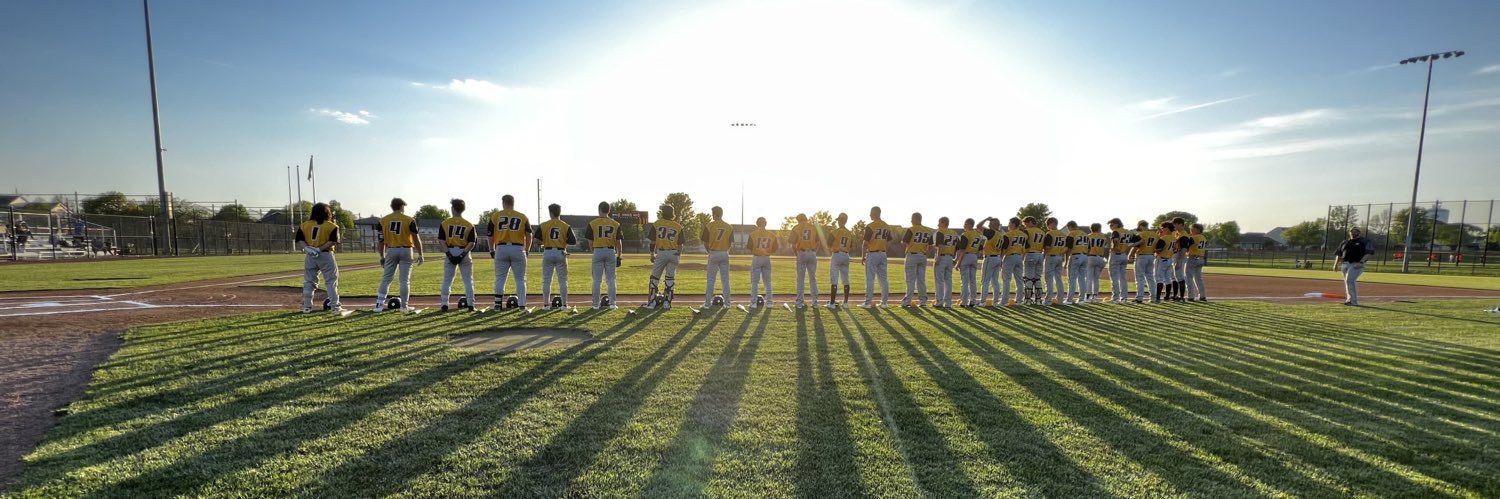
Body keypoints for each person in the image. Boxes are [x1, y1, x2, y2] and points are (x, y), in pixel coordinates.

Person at [375, 198, 423, 312]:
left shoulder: (383, 220)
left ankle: (379, 305)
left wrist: (381, 256)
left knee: (386, 279)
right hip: (406, 250)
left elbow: (381, 240)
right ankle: (404, 306)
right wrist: (421, 253)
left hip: (391, 250)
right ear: (401, 207)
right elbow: (416, 239)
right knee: (404, 280)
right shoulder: (409, 220)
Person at [487, 194, 532, 309]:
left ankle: (498, 305)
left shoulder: (496, 216)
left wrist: (491, 249)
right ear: (513, 203)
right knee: (520, 279)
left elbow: (490, 235)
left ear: (503, 203)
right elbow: (529, 235)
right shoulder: (522, 216)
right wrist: (527, 249)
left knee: (500, 278)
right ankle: (522, 305)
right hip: (518, 248)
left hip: (501, 247)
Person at [296, 202, 342, 314]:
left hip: (310, 255)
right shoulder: (332, 226)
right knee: (331, 281)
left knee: (309, 281)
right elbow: (333, 241)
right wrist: (319, 249)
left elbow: (300, 240)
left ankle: (307, 307)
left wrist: (307, 248)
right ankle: (335, 306)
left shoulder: (304, 225)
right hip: (325, 254)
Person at [535, 203, 578, 309]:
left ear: (550, 213)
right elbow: (573, 241)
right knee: (563, 280)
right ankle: (564, 305)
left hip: (548, 251)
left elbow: (536, 240)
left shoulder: (544, 225)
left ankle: (546, 305)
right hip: (561, 252)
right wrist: (563, 241)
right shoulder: (565, 225)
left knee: (546, 280)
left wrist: (545, 241)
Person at [439, 199, 477, 312]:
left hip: (450, 249)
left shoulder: (445, 223)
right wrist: (462, 254)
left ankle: (444, 304)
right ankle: (471, 304)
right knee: (468, 280)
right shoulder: (469, 225)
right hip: (464, 251)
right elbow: (472, 242)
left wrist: (449, 254)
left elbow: (441, 240)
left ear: (453, 209)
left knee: (447, 280)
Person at [645, 205, 684, 309]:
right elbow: (681, 244)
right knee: (670, 279)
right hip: (673, 253)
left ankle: (652, 303)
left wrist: (652, 254)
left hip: (661, 253)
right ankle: (667, 303)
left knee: (654, 278)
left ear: (662, 212)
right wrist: (678, 255)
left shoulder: (657, 224)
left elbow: (652, 242)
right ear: (672, 213)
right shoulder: (678, 226)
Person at [587, 201, 623, 309]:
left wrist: (594, 251)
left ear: (599, 209)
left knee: (597, 280)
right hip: (610, 251)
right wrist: (619, 256)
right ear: (609, 210)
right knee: (611, 279)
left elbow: (590, 242)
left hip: (597, 250)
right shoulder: (615, 224)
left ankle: (595, 305)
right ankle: (612, 304)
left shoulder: (592, 223)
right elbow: (618, 243)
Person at [701, 206, 735, 308]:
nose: (712, 215)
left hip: (714, 252)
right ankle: (727, 304)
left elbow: (705, 242)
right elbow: (730, 243)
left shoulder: (710, 225)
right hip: (725, 253)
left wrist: (710, 252)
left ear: (715, 214)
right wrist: (725, 251)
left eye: (713, 214)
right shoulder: (729, 227)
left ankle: (707, 304)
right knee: (725, 280)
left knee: (711, 280)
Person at [861, 206, 894, 308]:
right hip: (883, 254)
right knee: (883, 280)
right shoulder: (886, 226)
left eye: (871, 213)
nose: (870, 215)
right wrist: (883, 250)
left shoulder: (870, 226)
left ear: (875, 213)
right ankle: (884, 303)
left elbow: (865, 243)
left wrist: (863, 256)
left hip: (872, 253)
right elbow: (889, 242)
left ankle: (867, 303)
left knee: (870, 279)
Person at [900, 212, 935, 307]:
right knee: (921, 280)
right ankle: (923, 301)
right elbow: (931, 245)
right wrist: (926, 253)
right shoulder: (928, 230)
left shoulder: (911, 229)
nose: (911, 221)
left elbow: (904, 242)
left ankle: (907, 301)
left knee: (910, 280)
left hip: (912, 255)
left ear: (915, 219)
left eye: (912, 219)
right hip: (922, 256)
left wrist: (907, 248)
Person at [1331, 227, 1370, 306]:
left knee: (1349, 280)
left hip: (1356, 264)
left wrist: (1361, 262)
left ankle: (1353, 301)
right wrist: (1336, 264)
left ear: (1359, 233)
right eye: (1352, 231)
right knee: (1347, 282)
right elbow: (1339, 253)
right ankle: (1349, 300)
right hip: (1345, 264)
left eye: (1355, 231)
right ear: (1349, 232)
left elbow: (1368, 253)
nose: (1353, 232)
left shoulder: (1364, 241)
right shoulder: (1345, 242)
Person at [789, 213, 821, 308]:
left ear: (798, 220)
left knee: (800, 279)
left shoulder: (796, 227)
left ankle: (799, 302)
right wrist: (814, 252)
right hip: (812, 252)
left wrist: (797, 254)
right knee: (813, 279)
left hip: (801, 252)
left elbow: (792, 244)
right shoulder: (813, 227)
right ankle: (815, 302)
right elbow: (818, 242)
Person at [748, 217, 778, 307]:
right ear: (766, 223)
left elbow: (749, 247)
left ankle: (753, 303)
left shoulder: (753, 234)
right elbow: (775, 248)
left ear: (757, 224)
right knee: (768, 282)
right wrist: (767, 251)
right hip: (767, 258)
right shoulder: (771, 235)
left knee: (754, 282)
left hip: (757, 257)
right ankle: (769, 302)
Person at [826, 213, 854, 307]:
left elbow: (828, 244)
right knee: (846, 279)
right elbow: (850, 246)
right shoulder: (849, 233)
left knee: (834, 279)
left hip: (837, 254)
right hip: (846, 255)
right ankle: (845, 303)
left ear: (839, 221)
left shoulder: (835, 232)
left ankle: (832, 303)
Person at [932, 217, 960, 308]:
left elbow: (940, 246)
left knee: (939, 280)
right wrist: (956, 259)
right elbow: (959, 249)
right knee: (948, 280)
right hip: (950, 258)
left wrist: (938, 257)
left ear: (944, 223)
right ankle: (947, 302)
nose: (938, 224)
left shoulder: (940, 232)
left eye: (939, 222)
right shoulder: (954, 233)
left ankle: (939, 301)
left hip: (942, 257)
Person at [1000, 217, 1027, 306]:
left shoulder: (1008, 235)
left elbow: (1004, 249)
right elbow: (1025, 249)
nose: (1008, 225)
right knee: (1019, 280)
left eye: (1009, 224)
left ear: (1013, 225)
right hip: (1019, 257)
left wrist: (1000, 259)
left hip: (1010, 257)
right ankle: (1019, 300)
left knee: (1006, 279)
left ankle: (1004, 301)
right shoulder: (1024, 235)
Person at [977, 217, 1004, 306]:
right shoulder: (1000, 234)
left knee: (985, 281)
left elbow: (978, 226)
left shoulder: (992, 232)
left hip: (990, 258)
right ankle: (996, 301)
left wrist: (986, 219)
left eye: (990, 224)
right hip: (997, 257)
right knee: (995, 281)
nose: (988, 225)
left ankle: (982, 302)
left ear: (994, 225)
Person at [1129, 220, 1157, 304]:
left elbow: (1136, 246)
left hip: (1142, 256)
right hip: (1151, 256)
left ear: (1140, 226)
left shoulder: (1141, 234)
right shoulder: (1155, 234)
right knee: (1150, 277)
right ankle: (1153, 298)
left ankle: (1139, 298)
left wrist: (1131, 255)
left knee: (1140, 278)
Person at [957, 218, 983, 307]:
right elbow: (980, 249)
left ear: (968, 224)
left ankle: (964, 301)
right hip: (974, 256)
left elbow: (962, 250)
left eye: (965, 224)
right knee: (973, 281)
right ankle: (973, 301)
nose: (964, 226)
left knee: (965, 281)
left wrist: (958, 262)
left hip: (966, 256)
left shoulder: (966, 234)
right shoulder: (978, 234)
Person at [1042, 217, 1067, 305]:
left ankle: (1048, 300)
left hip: (1051, 256)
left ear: (1052, 224)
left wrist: (1043, 251)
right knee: (1058, 279)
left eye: (1048, 224)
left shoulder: (1050, 234)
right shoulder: (1063, 234)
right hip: (1059, 257)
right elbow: (1066, 248)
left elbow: (1047, 247)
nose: (1047, 227)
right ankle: (1060, 300)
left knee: (1048, 279)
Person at [1150, 222, 1177, 303]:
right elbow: (1175, 250)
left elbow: (1158, 249)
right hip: (1169, 259)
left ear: (1167, 228)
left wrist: (1153, 250)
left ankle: (1157, 297)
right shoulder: (1174, 238)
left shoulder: (1164, 238)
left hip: (1161, 259)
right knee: (1168, 278)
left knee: (1159, 278)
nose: (1161, 229)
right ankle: (1167, 296)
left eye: (1162, 228)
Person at [1022, 216, 1046, 304]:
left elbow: (1025, 244)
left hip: (1031, 254)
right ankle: (1038, 299)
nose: (1025, 226)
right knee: (1037, 278)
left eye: (1026, 224)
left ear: (1030, 222)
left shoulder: (1027, 231)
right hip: (1040, 254)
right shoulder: (1042, 232)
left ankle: (1028, 299)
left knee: (1028, 278)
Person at [1107, 218, 1132, 304]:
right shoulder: (1128, 232)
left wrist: (1114, 247)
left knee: (1114, 278)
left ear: (1116, 224)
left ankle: (1116, 298)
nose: (1110, 226)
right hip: (1124, 255)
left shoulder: (1116, 231)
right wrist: (1127, 250)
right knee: (1123, 278)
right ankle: (1124, 298)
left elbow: (1115, 240)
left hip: (1116, 255)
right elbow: (1138, 241)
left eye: (1111, 224)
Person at [1064, 221, 1088, 305]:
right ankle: (1081, 299)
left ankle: (1069, 299)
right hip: (1085, 256)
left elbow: (1068, 248)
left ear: (1070, 226)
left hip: (1076, 256)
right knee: (1082, 279)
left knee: (1072, 279)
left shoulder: (1072, 233)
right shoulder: (1085, 234)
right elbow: (1089, 247)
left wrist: (1066, 261)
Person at [1087, 223, 1110, 303]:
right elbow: (1104, 245)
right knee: (1096, 279)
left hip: (1091, 257)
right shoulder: (1103, 237)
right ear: (1099, 228)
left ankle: (1088, 296)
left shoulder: (1088, 236)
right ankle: (1095, 296)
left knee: (1089, 278)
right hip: (1100, 258)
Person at [1186, 223, 1208, 301]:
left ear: (1198, 230)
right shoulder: (1203, 237)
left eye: (1193, 228)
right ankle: (1202, 296)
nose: (1191, 230)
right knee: (1199, 278)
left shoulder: (1193, 238)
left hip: (1193, 258)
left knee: (1189, 277)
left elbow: (1186, 248)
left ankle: (1191, 296)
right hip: (1201, 258)